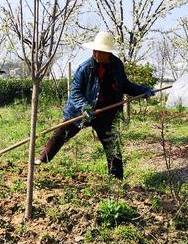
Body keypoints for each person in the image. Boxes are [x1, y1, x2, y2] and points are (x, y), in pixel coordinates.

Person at [37, 31, 154, 179]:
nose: (96, 53)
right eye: (95, 50)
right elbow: (75, 93)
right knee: (61, 134)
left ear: (108, 53)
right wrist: (86, 107)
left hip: (106, 113)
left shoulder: (117, 65)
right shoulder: (85, 68)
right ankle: (41, 162)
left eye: (100, 51)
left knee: (112, 146)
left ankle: (116, 179)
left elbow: (125, 85)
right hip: (81, 112)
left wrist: (142, 90)